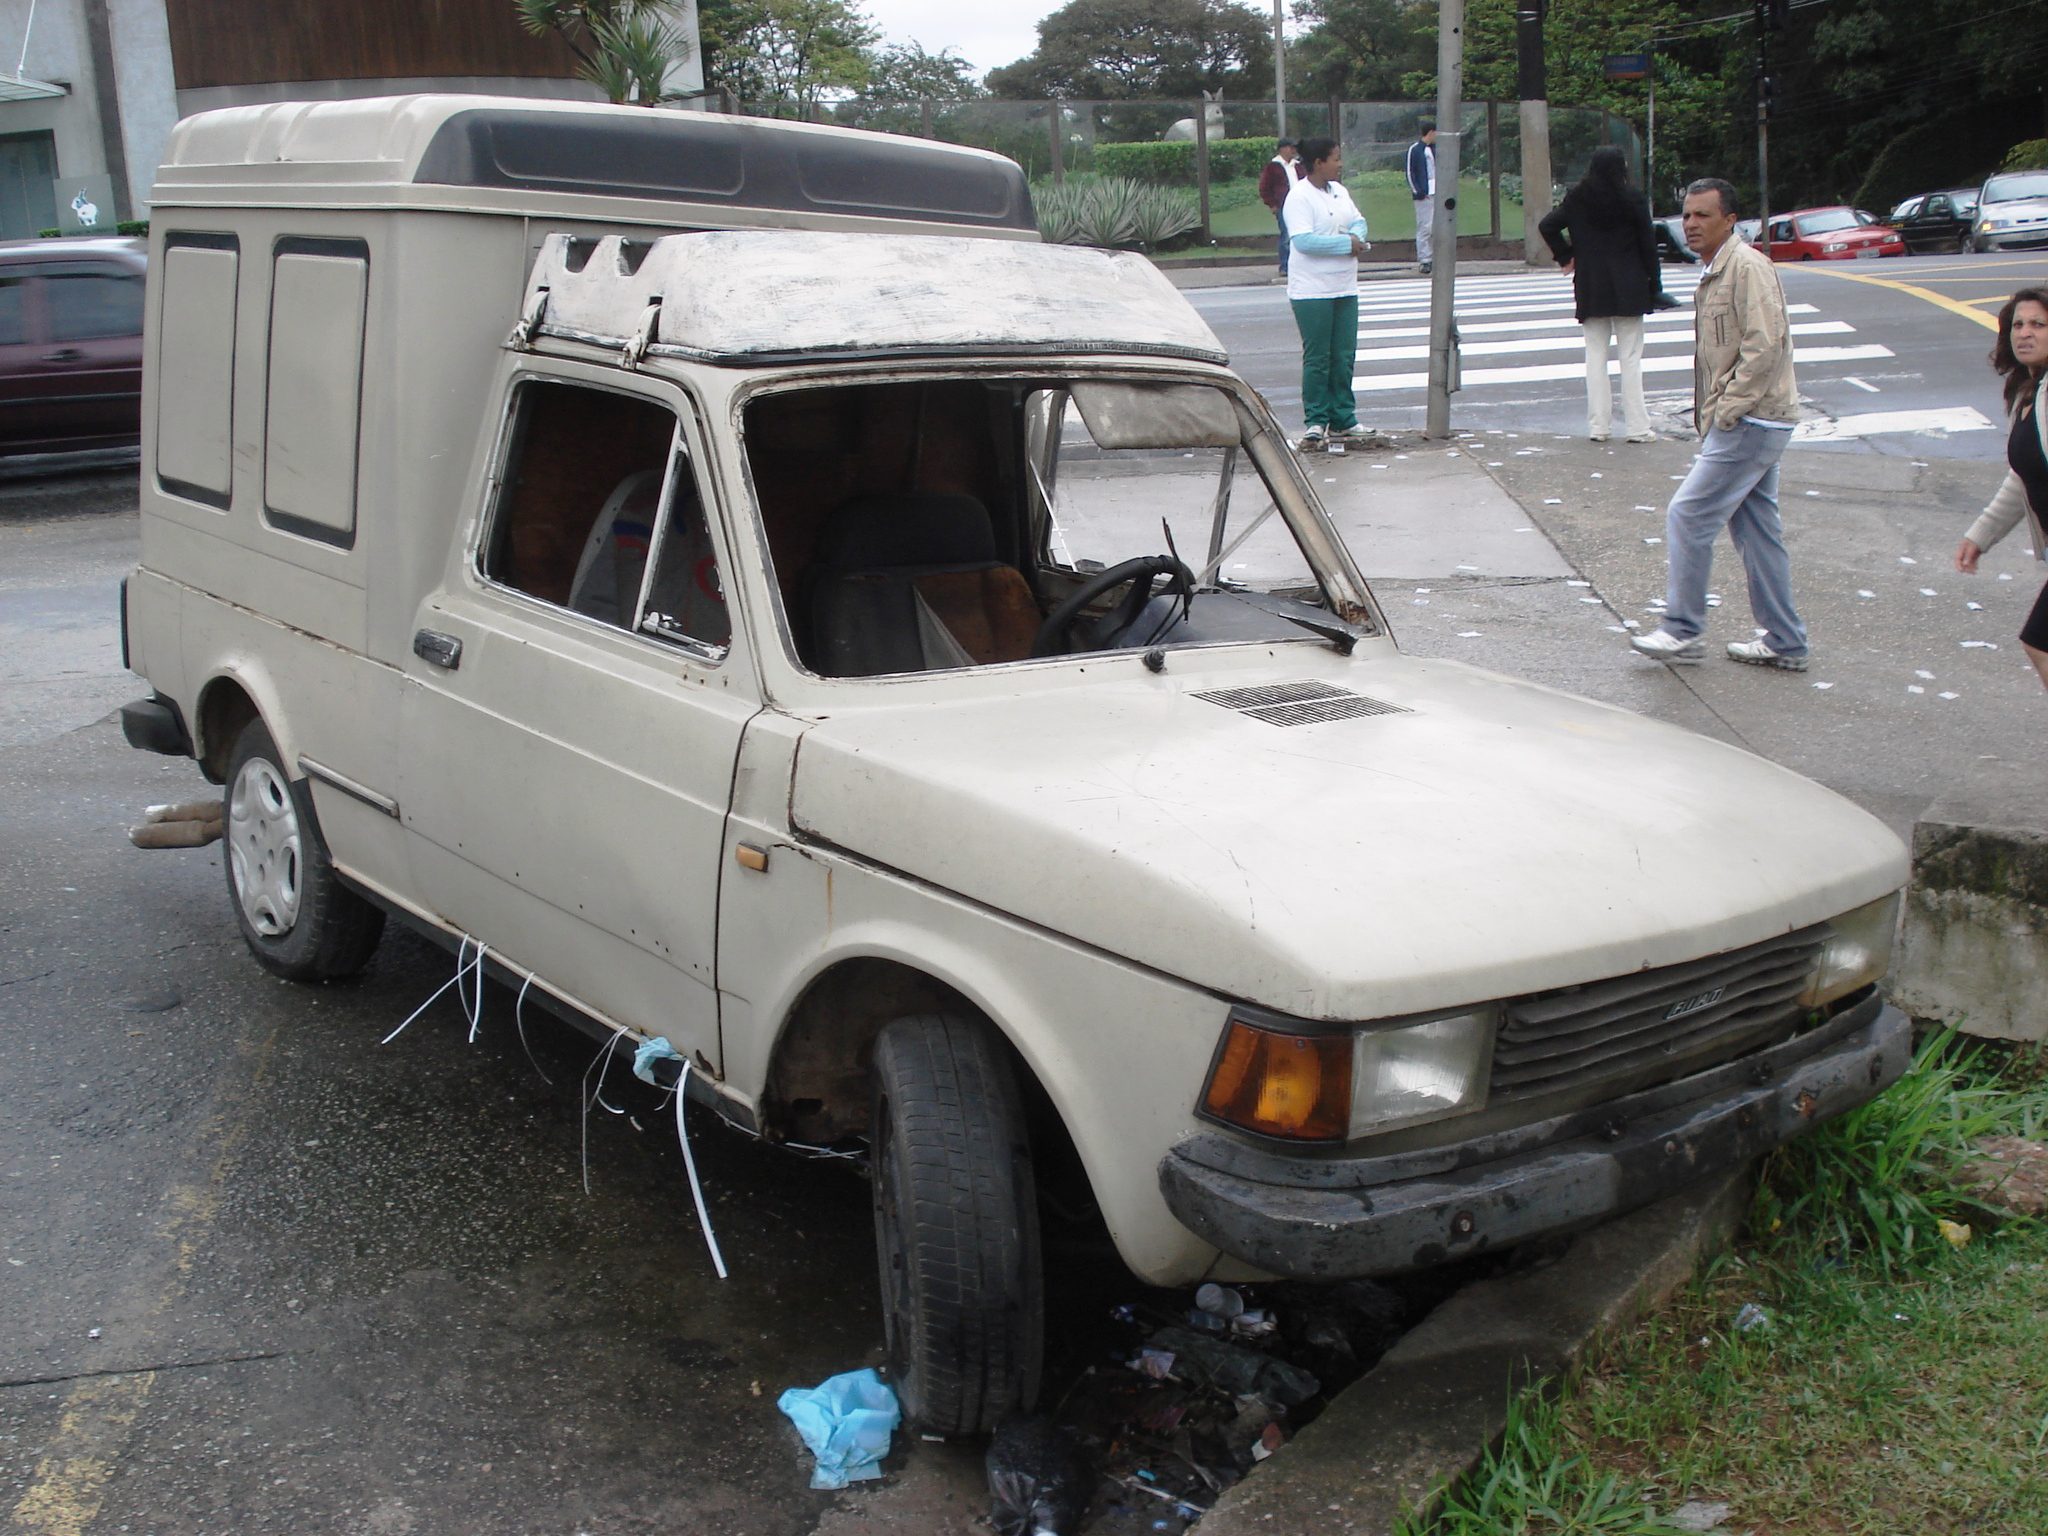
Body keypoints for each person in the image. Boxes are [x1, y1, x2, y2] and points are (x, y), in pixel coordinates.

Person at [1630, 177, 1808, 671]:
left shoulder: (1746, 267)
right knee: (1757, 531)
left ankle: (1682, 629)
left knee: (1688, 515)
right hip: (1753, 419)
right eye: (1687, 215)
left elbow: (1764, 344)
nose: (1691, 224)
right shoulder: (1717, 270)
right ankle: (1785, 640)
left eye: (1703, 215)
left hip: (1752, 419)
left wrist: (1729, 408)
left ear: (1730, 220)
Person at [1538, 146, 1663, 444]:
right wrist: (1654, 285)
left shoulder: (1577, 198)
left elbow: (1548, 225)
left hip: (1591, 284)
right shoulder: (1632, 197)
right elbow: (1648, 243)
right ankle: (1637, 428)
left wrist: (1566, 255)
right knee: (1630, 358)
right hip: (1629, 284)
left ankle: (1599, 427)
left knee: (1595, 356)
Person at [1956, 287, 2048, 692]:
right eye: (2018, 325)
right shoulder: (2030, 392)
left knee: (2041, 642)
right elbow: (2025, 474)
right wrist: (1982, 534)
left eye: (2038, 325)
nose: (2024, 333)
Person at [1282, 137, 1370, 451]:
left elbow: (1358, 221)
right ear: (1319, 163)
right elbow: (1304, 242)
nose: (1340, 163)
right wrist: (1347, 244)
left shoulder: (1339, 192)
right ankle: (1316, 421)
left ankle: (1344, 418)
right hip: (1312, 291)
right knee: (1318, 358)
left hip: (1344, 286)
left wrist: (1357, 237)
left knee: (1343, 356)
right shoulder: (1299, 197)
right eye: (1335, 158)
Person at [1259, 137, 1301, 276]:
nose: (1293, 150)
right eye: (1290, 147)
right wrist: (1272, 204)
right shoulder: (1273, 167)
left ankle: (1298, 265)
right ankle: (1285, 266)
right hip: (1283, 206)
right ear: (1282, 149)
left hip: (1300, 205)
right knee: (1286, 236)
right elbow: (1264, 187)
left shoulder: (1297, 165)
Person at [1405, 123, 1437, 274]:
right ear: (1430, 133)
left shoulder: (1434, 149)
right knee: (1425, 227)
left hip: (1437, 193)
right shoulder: (1416, 149)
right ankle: (1425, 259)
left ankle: (1436, 257)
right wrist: (1418, 191)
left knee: (1437, 227)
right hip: (1424, 194)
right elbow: (1410, 172)